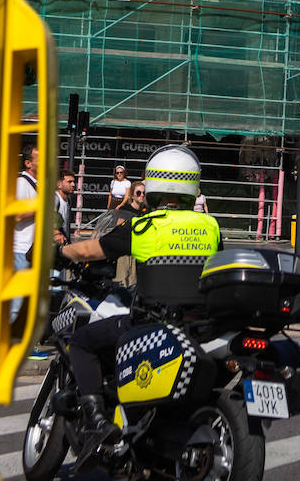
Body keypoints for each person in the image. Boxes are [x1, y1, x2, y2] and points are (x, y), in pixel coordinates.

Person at [58, 144, 222, 461]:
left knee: (81, 342)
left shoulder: (144, 225)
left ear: (154, 185)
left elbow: (91, 250)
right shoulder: (210, 226)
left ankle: (95, 421)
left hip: (150, 324)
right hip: (198, 327)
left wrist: (59, 251)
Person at [10, 144, 39, 326]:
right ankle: (13, 343)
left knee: (30, 300)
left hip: (32, 251)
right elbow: (17, 216)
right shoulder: (21, 183)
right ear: (28, 163)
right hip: (22, 250)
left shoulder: (38, 184)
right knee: (18, 302)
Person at [53, 167, 76, 246]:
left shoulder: (68, 200)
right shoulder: (54, 199)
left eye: (73, 182)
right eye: (69, 182)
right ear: (58, 184)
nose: (73, 184)